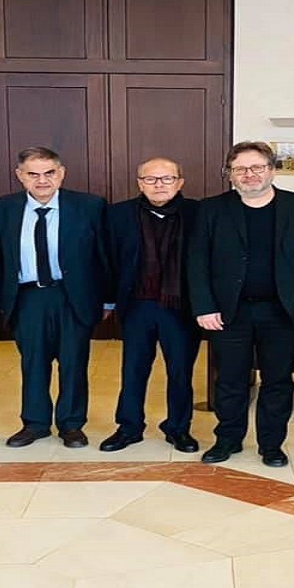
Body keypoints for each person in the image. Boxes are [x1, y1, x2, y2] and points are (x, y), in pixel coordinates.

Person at [188, 141, 294, 467]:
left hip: (282, 311)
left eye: (257, 167)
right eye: (240, 169)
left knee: (277, 381)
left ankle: (271, 445)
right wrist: (204, 306)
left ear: (271, 170)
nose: (249, 174)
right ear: (229, 174)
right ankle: (228, 439)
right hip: (229, 312)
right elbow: (196, 261)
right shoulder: (211, 209)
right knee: (230, 380)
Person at [0, 146, 109, 449]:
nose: (42, 180)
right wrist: (1, 300)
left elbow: (104, 257)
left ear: (61, 173)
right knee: (33, 363)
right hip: (28, 298)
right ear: (20, 175)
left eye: (49, 173)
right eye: (33, 174)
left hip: (73, 297)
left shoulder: (90, 206)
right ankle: (35, 423)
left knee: (73, 363)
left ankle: (71, 425)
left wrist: (107, 300)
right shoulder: (1, 209)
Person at [100, 158, 202, 453]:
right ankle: (129, 427)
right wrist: (108, 299)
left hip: (181, 307)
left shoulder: (199, 213)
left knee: (180, 372)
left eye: (167, 179)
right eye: (151, 179)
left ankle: (178, 428)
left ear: (180, 182)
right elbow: (107, 260)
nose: (159, 185)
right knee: (133, 369)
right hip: (136, 306)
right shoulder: (118, 214)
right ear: (139, 183)